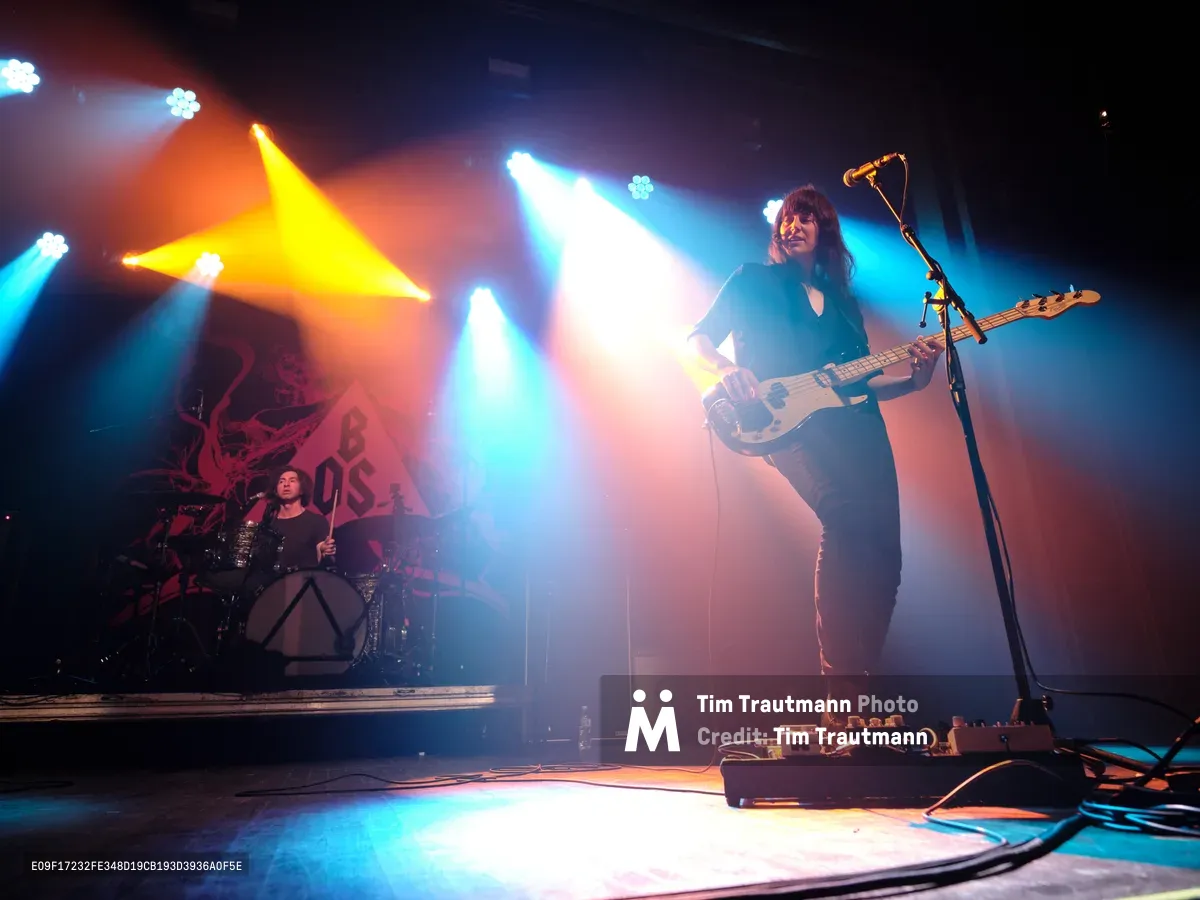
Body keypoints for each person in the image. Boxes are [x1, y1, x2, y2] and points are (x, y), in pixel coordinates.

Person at [688, 184, 944, 709]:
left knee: (886, 555)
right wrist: (728, 368)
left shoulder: (846, 305)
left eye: (807, 216)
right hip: (781, 423)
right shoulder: (751, 279)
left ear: (825, 229)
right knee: (844, 520)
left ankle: (862, 683)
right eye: (788, 216)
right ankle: (841, 694)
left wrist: (915, 382)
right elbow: (698, 337)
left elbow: (860, 381)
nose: (794, 223)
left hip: (859, 428)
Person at [260, 466, 335, 571]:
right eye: (281, 482)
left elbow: (321, 548)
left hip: (303, 583)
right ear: (276, 491)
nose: (286, 484)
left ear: (302, 490)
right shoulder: (268, 524)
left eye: (292, 481)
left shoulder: (316, 521)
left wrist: (323, 549)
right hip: (273, 584)